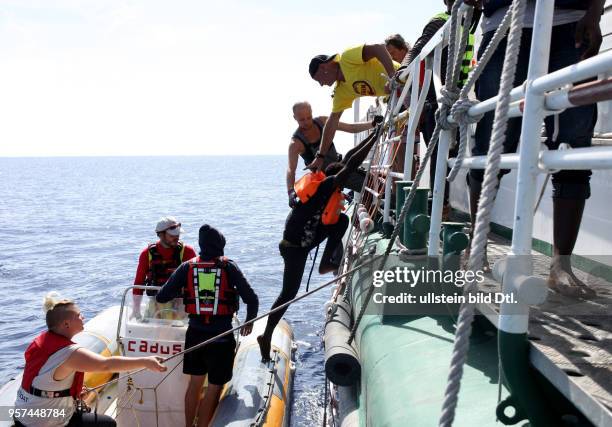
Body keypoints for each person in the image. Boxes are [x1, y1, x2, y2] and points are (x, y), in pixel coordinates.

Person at [465, 0, 603, 297]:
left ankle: (560, 266)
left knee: (574, 143)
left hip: (571, 23)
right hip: (505, 26)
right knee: (493, 142)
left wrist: (594, 10)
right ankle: (476, 250)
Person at [258, 119, 383, 362]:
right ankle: (266, 335)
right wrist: (375, 138)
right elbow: (351, 164)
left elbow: (348, 161)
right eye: (342, 180)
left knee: (341, 222)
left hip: (306, 239)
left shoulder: (327, 182)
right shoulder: (326, 185)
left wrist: (373, 135)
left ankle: (326, 262)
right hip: (295, 247)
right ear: (336, 180)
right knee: (288, 293)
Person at [155, 224, 258, 427]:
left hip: (195, 335)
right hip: (221, 337)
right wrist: (249, 321)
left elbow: (162, 296)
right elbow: (251, 299)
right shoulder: (229, 266)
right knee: (214, 387)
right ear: (220, 245)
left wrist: (185, 291)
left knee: (194, 384)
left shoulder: (187, 266)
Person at [14, 293, 166, 427]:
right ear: (66, 324)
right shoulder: (69, 353)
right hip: (42, 422)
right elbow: (106, 365)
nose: (83, 317)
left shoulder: (40, 342)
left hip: (24, 415)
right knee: (108, 424)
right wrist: (146, 361)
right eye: (78, 315)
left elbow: (46, 380)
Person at [399, 0, 479, 220]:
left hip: (456, 99)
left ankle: (444, 207)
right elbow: (418, 47)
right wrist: (404, 69)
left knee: (450, 155)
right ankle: (439, 208)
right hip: (438, 100)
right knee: (439, 155)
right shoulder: (440, 22)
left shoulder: (471, 21)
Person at [306, 44, 400, 172]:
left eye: (319, 80)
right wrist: (320, 156)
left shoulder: (347, 59)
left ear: (324, 68)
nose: (321, 85)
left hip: (406, 78)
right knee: (401, 147)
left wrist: (392, 76)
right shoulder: (340, 92)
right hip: (398, 96)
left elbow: (379, 48)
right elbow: (332, 122)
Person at [288, 101, 380, 201]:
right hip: (327, 180)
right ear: (295, 118)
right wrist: (290, 192)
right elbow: (291, 170)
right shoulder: (295, 144)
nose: (306, 122)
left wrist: (372, 124)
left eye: (309, 117)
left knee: (371, 180)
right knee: (371, 185)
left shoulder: (322, 122)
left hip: (340, 165)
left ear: (311, 112)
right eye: (302, 120)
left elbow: (350, 128)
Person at [132, 216, 196, 319]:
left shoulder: (188, 252)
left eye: (178, 234)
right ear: (161, 235)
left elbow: (195, 283)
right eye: (172, 235)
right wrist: (136, 309)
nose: (177, 237)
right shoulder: (146, 254)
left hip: (181, 303)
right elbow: (138, 283)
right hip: (156, 302)